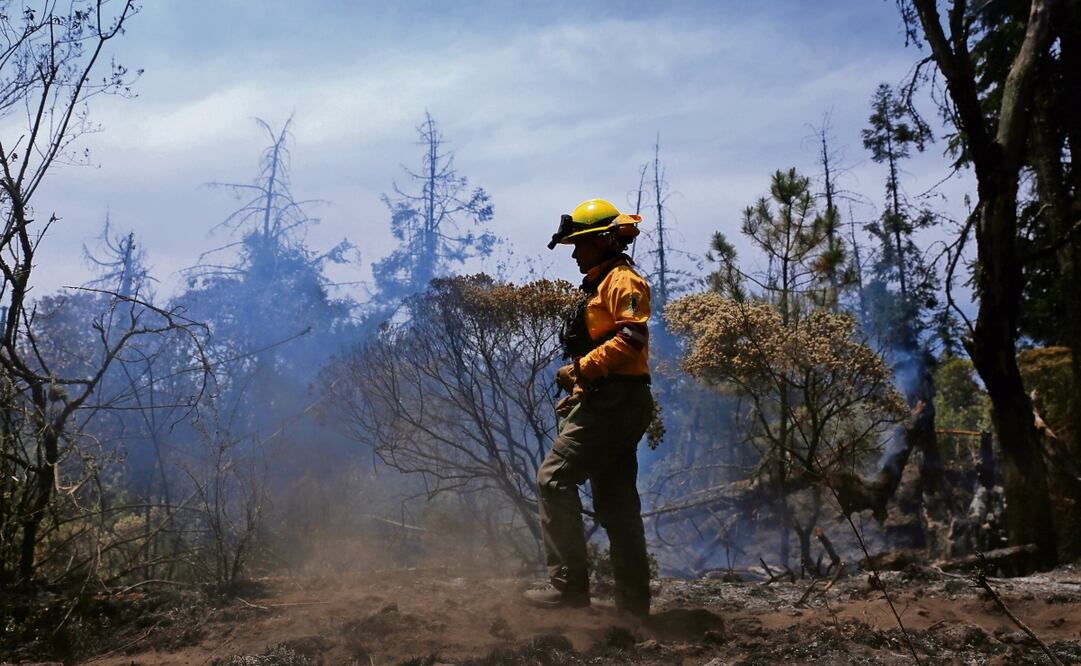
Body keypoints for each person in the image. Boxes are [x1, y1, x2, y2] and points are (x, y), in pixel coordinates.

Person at [524, 198, 655, 617]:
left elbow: (631, 341)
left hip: (617, 404)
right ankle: (633, 609)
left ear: (602, 241)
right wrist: (581, 387)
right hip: (608, 401)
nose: (575, 254)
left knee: (553, 479)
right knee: (616, 502)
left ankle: (568, 591)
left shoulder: (623, 283)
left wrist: (579, 369)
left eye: (580, 245)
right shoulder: (602, 283)